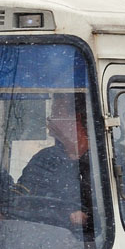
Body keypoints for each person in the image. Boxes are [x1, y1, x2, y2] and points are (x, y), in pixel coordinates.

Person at [7, 94, 94, 231]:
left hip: (91, 243)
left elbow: (110, 214)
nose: (50, 121)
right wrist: (3, 209)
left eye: (56, 114)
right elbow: (19, 199)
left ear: (78, 119)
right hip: (46, 237)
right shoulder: (44, 159)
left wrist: (86, 217)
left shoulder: (102, 161)